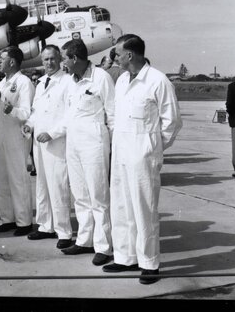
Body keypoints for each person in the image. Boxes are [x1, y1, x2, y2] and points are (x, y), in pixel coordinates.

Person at [103, 34, 181, 284]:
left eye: (117, 53)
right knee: (121, 206)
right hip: (121, 153)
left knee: (144, 210)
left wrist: (153, 147)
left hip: (142, 155)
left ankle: (149, 263)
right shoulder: (123, 79)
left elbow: (172, 122)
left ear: (130, 55)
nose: (114, 57)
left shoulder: (158, 81)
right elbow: (116, 116)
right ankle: (125, 257)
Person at [52, 38, 117, 266]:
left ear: (75, 58)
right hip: (74, 143)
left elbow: (113, 115)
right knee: (80, 195)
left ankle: (103, 246)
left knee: (98, 196)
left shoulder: (101, 78)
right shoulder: (70, 81)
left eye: (64, 59)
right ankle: (84, 240)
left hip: (94, 143)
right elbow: (68, 115)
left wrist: (115, 149)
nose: (62, 64)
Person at [23, 45, 73, 248]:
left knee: (58, 186)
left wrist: (52, 133)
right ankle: (45, 225)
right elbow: (36, 111)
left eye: (53, 59)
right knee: (42, 185)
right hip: (39, 144)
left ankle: (64, 232)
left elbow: (70, 116)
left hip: (57, 143)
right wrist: (29, 124)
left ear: (60, 59)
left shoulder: (68, 82)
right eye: (45, 60)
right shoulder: (42, 82)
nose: (49, 63)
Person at [0, 47, 35, 236]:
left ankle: (24, 221)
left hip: (16, 134)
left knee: (18, 178)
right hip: (0, 132)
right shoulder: (3, 82)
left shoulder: (24, 82)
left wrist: (10, 109)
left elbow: (26, 112)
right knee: (1, 177)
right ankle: (8, 218)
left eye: (2, 59)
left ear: (12, 61)